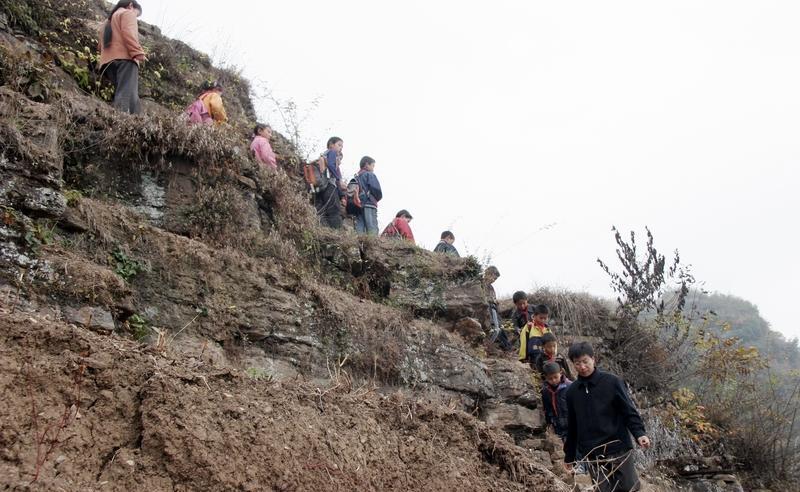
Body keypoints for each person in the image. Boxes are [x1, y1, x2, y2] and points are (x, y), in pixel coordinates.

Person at [564, 342, 651, 492]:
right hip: (592, 453)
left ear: (593, 359)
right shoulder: (572, 392)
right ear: (573, 364)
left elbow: (628, 411)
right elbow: (572, 426)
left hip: (618, 447)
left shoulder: (612, 382)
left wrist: (639, 433)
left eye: (585, 362)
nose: (582, 367)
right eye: (577, 363)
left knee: (629, 488)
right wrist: (569, 455)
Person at [98, 1, 146, 114]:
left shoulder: (107, 22)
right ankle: (122, 121)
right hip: (125, 59)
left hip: (108, 62)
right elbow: (128, 33)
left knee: (125, 93)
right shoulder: (127, 13)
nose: (135, 17)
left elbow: (100, 45)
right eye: (136, 14)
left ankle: (134, 121)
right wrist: (137, 52)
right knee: (126, 94)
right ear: (130, 5)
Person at [315, 137, 344, 229]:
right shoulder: (331, 152)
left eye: (342, 147)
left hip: (320, 186)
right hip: (329, 184)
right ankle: (336, 231)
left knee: (322, 208)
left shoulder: (323, 155)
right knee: (334, 209)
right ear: (331, 144)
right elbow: (331, 165)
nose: (341, 148)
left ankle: (323, 228)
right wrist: (339, 179)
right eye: (339, 145)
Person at [542, 361, 572, 442]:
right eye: (550, 379)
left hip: (572, 424)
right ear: (545, 377)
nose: (554, 380)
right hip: (557, 425)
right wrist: (549, 422)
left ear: (561, 373)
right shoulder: (545, 391)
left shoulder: (570, 387)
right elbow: (547, 408)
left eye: (556, 377)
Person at [484, 266, 512, 351]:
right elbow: (484, 298)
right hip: (488, 308)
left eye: (495, 279)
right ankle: (487, 347)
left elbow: (493, 299)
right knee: (496, 329)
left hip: (494, 309)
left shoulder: (491, 288)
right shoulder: (480, 284)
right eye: (493, 278)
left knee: (502, 327)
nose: (493, 280)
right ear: (488, 273)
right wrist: (492, 301)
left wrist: (496, 302)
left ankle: (507, 348)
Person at [353, 156, 382, 235]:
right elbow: (377, 190)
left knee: (360, 224)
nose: (373, 168)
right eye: (372, 166)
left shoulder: (357, 176)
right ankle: (373, 244)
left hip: (359, 203)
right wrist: (377, 198)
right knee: (372, 226)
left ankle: (359, 242)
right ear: (366, 165)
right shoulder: (370, 174)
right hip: (369, 203)